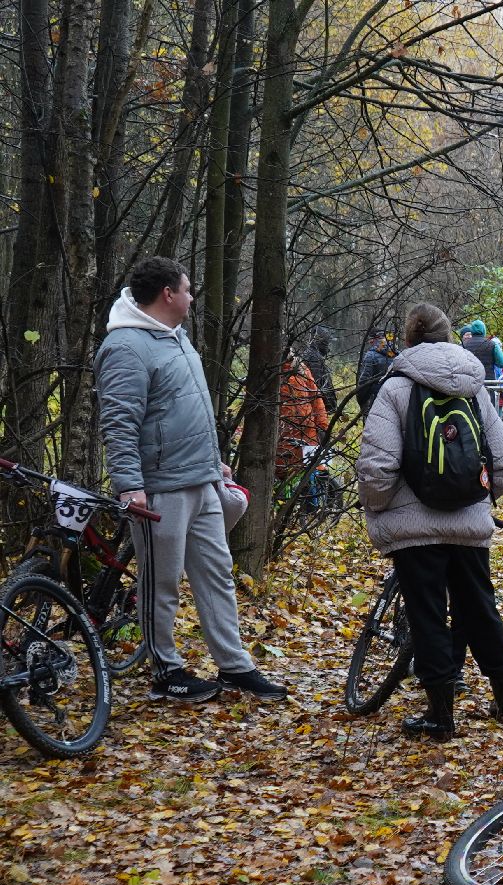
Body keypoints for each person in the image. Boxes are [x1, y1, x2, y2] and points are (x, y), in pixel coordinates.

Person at [96, 255, 286, 703]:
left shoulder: (177, 339)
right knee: (160, 583)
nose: (191, 296)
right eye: (186, 289)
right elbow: (119, 421)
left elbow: (191, 411)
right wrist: (129, 484)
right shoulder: (126, 347)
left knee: (217, 573)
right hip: (159, 488)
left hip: (200, 480)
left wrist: (212, 461)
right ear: (168, 294)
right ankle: (166, 671)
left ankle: (235, 666)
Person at [358, 302, 503, 740]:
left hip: (414, 531)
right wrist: (480, 501)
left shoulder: (396, 388)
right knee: (480, 607)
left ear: (408, 337)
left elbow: (378, 468)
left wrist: (378, 507)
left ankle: (440, 716)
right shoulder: (473, 388)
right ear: (450, 335)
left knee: (427, 616)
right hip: (469, 525)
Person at [276, 347, 330, 481]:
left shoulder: (302, 369)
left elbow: (316, 399)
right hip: (283, 436)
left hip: (308, 435)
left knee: (313, 474)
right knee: (284, 475)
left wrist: (323, 426)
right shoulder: (272, 373)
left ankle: (314, 499)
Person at [357, 331, 397, 414]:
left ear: (374, 340)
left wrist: (361, 401)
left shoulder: (370, 356)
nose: (370, 342)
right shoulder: (398, 355)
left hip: (374, 402)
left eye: (371, 340)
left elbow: (364, 382)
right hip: (395, 401)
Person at [301, 330, 337, 415]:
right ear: (322, 342)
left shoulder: (314, 355)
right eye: (327, 343)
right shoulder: (313, 357)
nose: (328, 347)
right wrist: (327, 405)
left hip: (318, 407)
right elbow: (317, 385)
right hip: (316, 408)